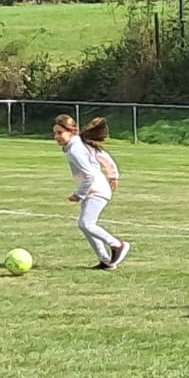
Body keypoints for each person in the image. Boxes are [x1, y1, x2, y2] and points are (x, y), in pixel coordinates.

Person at [53, 115, 130, 270]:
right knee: (85, 225)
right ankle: (105, 261)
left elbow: (90, 175)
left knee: (86, 223)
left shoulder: (75, 149)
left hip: (97, 190)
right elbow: (103, 155)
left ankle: (118, 245)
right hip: (93, 190)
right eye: (55, 133)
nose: (56, 137)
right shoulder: (79, 144)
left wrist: (79, 194)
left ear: (72, 131)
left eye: (60, 133)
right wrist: (113, 174)